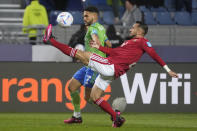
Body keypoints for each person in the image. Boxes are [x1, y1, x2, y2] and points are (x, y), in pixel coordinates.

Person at [43, 21, 178, 127]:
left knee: (81, 54)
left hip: (110, 66)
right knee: (95, 97)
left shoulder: (143, 42)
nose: (130, 29)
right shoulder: (128, 42)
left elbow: (154, 55)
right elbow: (115, 52)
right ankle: (116, 117)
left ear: (139, 30)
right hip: (112, 70)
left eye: (133, 27)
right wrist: (99, 48)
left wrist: (168, 70)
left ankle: (51, 40)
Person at [60, 6, 112, 124]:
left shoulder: (93, 28)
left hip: (94, 67)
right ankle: (77, 116)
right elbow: (109, 44)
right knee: (71, 87)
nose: (84, 18)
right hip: (88, 65)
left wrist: (96, 42)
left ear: (94, 16)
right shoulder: (101, 28)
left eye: (86, 16)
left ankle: (114, 113)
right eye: (83, 16)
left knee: (89, 98)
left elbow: (96, 39)